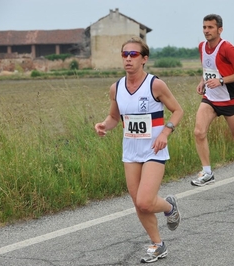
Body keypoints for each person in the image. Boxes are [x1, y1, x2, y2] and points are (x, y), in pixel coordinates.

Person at [94, 37, 184, 263]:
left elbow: (177, 111)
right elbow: (115, 117)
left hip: (154, 149)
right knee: (139, 203)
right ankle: (158, 244)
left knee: (145, 201)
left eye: (133, 55)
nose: (128, 59)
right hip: (131, 152)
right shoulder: (116, 88)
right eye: (125, 54)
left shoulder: (155, 85)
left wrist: (165, 133)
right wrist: (105, 125)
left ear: (144, 59)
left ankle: (169, 206)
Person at [190, 14, 234, 188]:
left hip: (228, 100)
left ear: (220, 29)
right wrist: (202, 81)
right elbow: (208, 68)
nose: (206, 31)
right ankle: (207, 172)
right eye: (204, 27)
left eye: (210, 27)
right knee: (198, 132)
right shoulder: (201, 47)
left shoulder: (227, 48)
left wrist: (220, 81)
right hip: (210, 99)